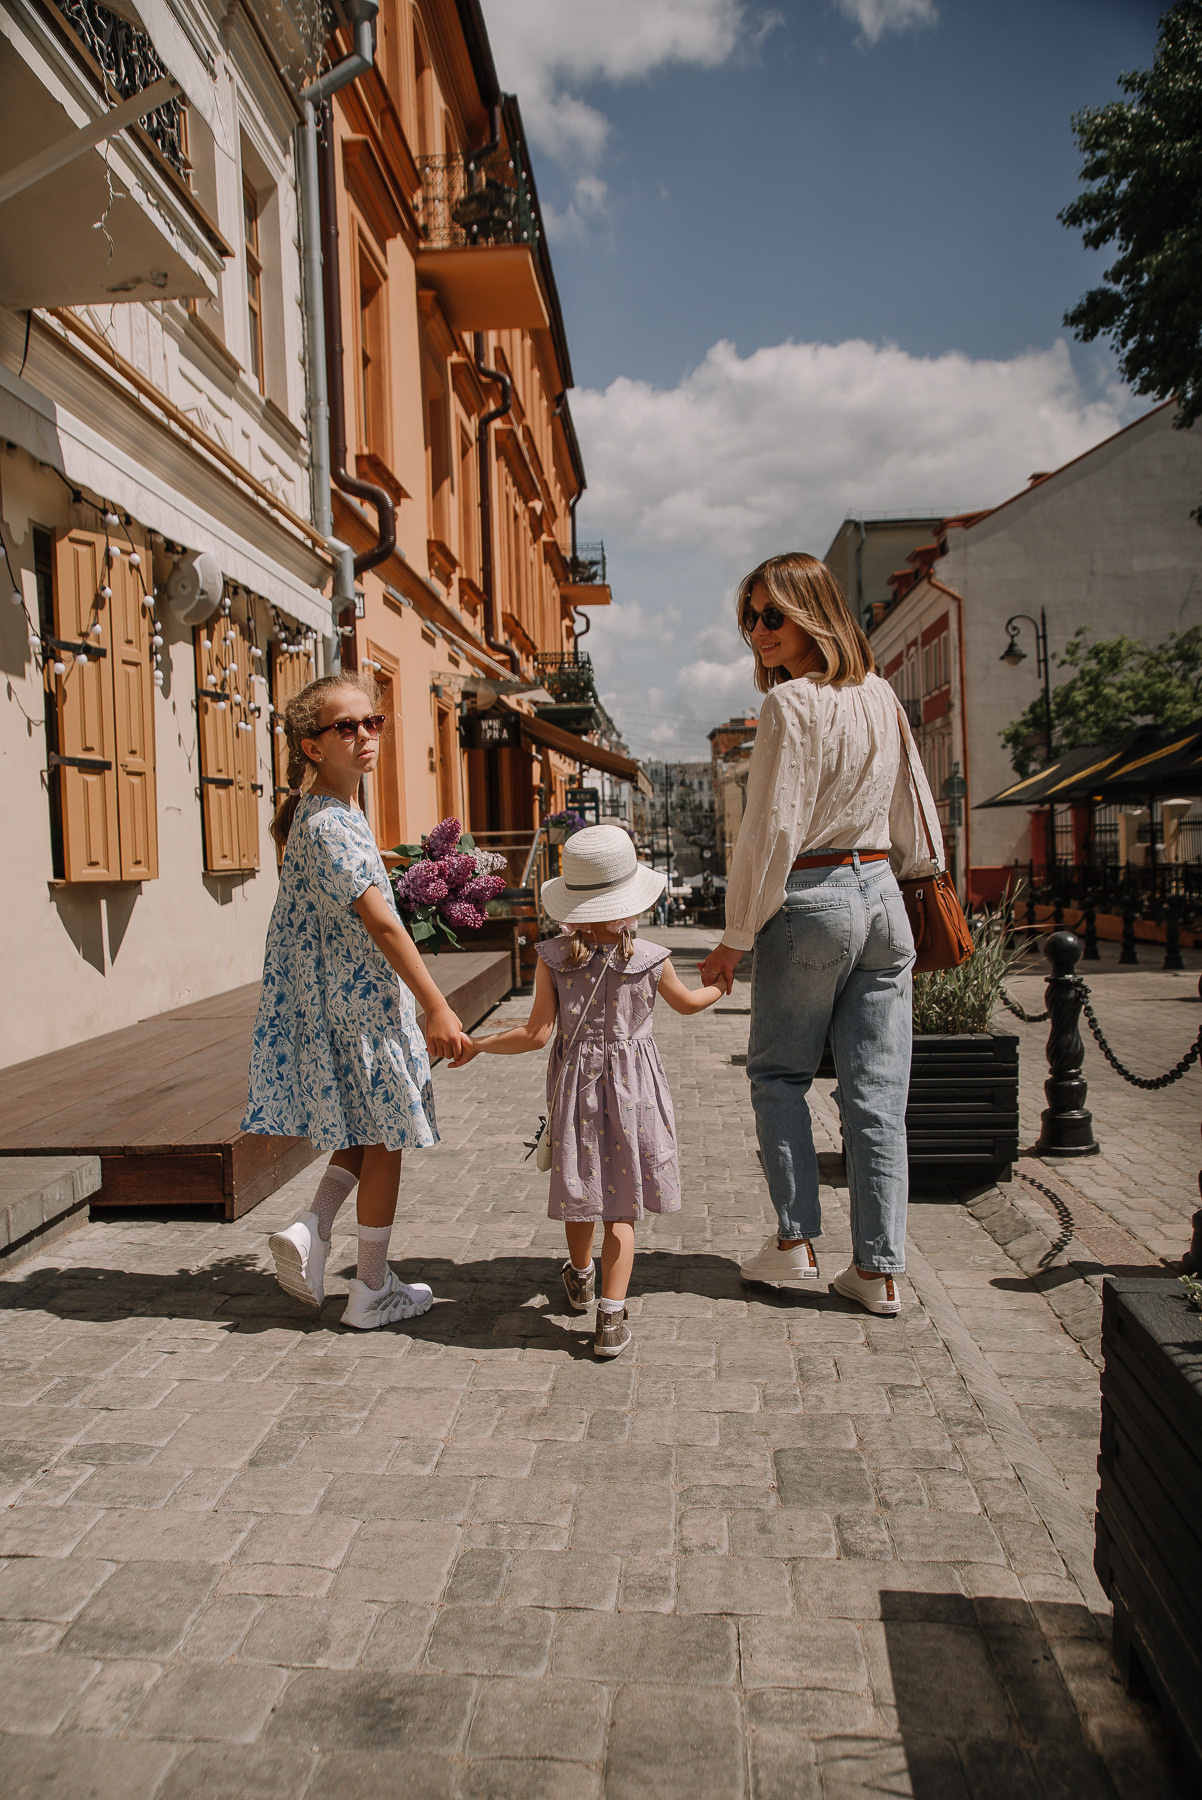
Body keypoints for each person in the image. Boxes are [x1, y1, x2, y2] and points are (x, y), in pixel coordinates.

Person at [699, 553, 942, 1317]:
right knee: (877, 1098)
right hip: (882, 898)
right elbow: (914, 805)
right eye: (751, 618)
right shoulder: (883, 697)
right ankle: (879, 1271)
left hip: (812, 894)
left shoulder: (791, 706)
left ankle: (796, 1241)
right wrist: (920, 872)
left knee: (780, 1078)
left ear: (814, 613)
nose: (759, 632)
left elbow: (771, 829)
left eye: (773, 616)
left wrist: (735, 935)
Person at [243, 672, 468, 1330]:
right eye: (347, 726)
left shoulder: (329, 815)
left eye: (373, 722)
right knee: (387, 1137)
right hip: (362, 1005)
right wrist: (437, 1005)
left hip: (341, 1002)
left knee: (365, 1131)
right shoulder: (331, 824)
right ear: (314, 746)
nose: (367, 735)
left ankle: (313, 1230)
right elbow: (382, 924)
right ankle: (370, 1289)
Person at [452, 825, 729, 1358]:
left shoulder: (555, 957)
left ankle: (580, 1275)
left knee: (581, 1191)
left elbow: (535, 1036)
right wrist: (721, 981)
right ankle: (611, 1319)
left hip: (577, 1093)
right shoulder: (649, 956)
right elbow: (691, 1004)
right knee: (621, 1208)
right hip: (635, 1093)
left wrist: (480, 1044)